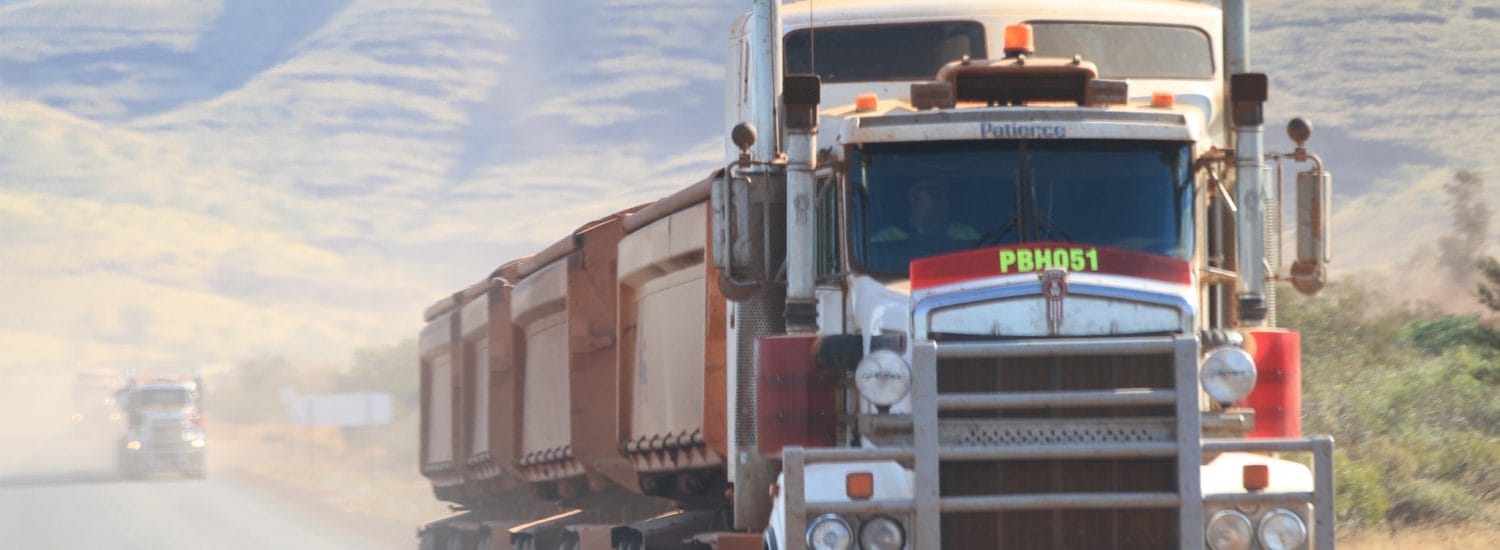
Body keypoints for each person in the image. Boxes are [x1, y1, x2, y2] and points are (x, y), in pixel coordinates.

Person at [871, 179, 980, 243]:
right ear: (913, 197)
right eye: (935, 194)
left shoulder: (968, 236)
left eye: (947, 195)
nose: (945, 200)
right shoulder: (886, 240)